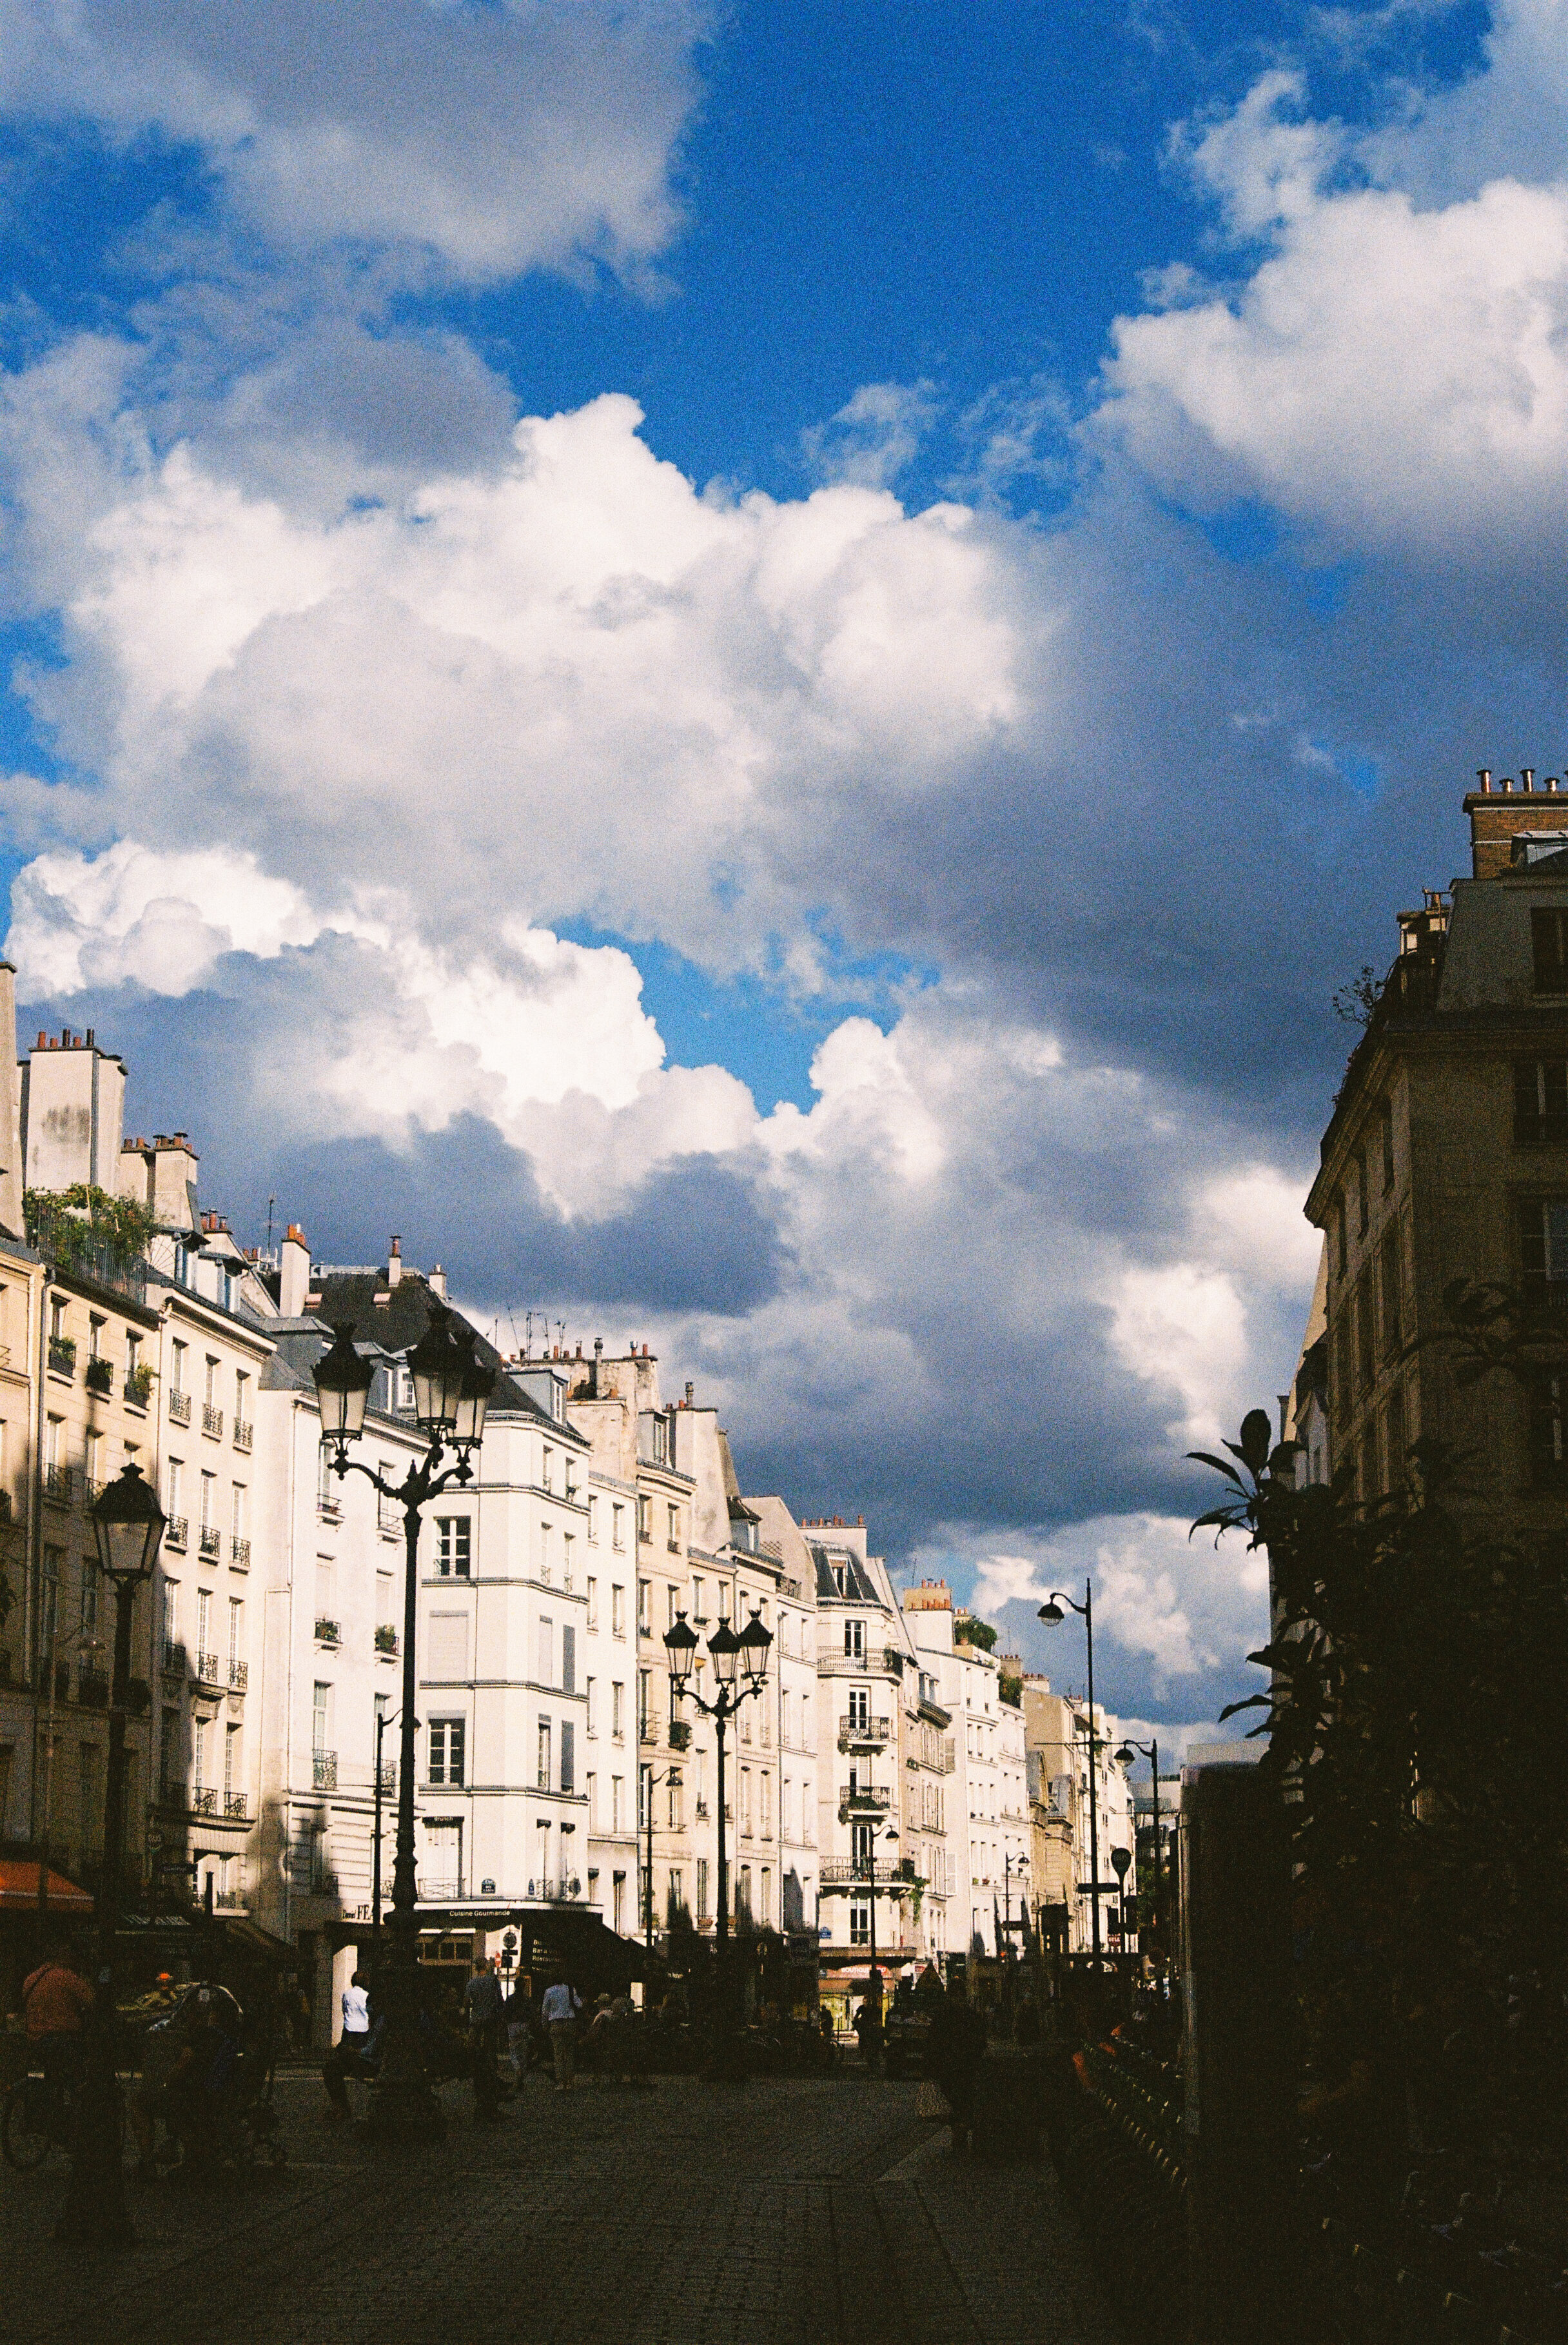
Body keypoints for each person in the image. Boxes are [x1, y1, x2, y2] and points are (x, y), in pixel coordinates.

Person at [20, 1943, 93, 2112]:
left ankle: (54, 2107)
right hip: (62, 2039)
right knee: (80, 2075)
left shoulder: (32, 1978)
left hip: (35, 2040)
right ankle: (79, 2109)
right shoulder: (67, 1977)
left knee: (53, 2073)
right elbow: (92, 2001)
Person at [321, 1969, 374, 2122]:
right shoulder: (367, 1996)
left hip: (351, 2032)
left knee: (334, 2066)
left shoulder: (346, 1994)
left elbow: (345, 2012)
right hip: (364, 2033)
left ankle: (341, 2108)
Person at [541, 1972, 582, 2090]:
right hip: (569, 2022)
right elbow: (579, 2005)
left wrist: (545, 2025)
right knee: (569, 2054)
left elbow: (545, 2010)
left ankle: (560, 2082)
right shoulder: (571, 1990)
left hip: (556, 2023)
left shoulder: (549, 1991)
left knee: (558, 2054)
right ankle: (569, 2081)